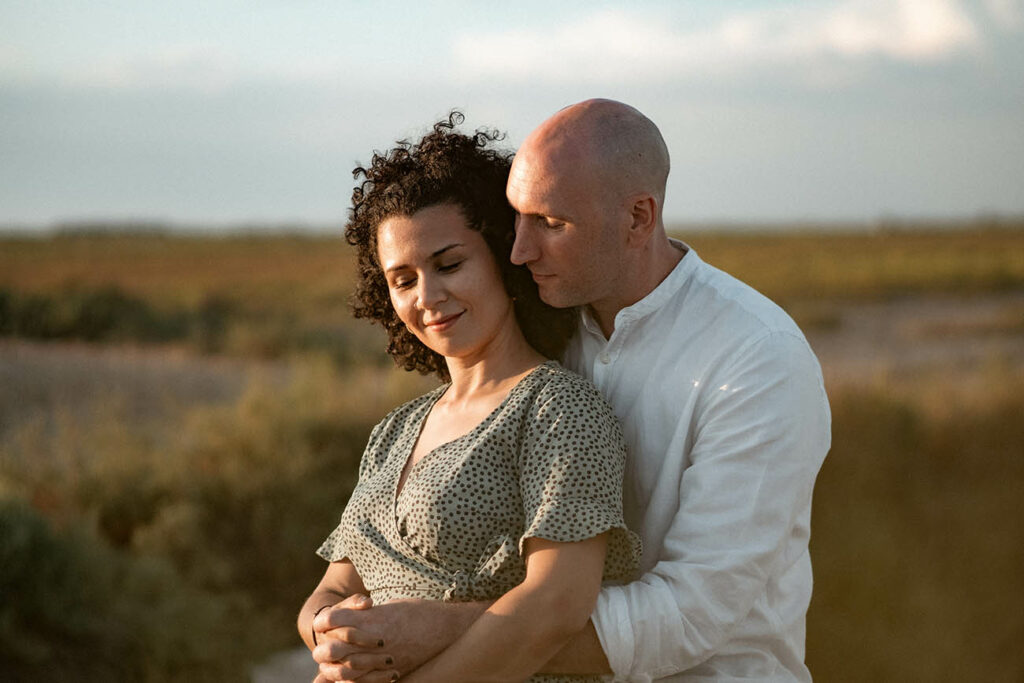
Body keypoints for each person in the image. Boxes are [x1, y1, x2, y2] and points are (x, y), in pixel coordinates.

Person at [312, 99, 832, 682]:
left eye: (551, 224)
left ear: (638, 217)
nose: (518, 251)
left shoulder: (757, 357)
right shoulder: (550, 328)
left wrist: (432, 630)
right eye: (517, 220)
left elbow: (691, 614)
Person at [297, 113, 641, 683]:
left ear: (505, 258)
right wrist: (332, 636)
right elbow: (333, 587)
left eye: (449, 264)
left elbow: (556, 606)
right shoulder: (396, 430)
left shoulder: (557, 409)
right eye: (402, 279)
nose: (428, 296)